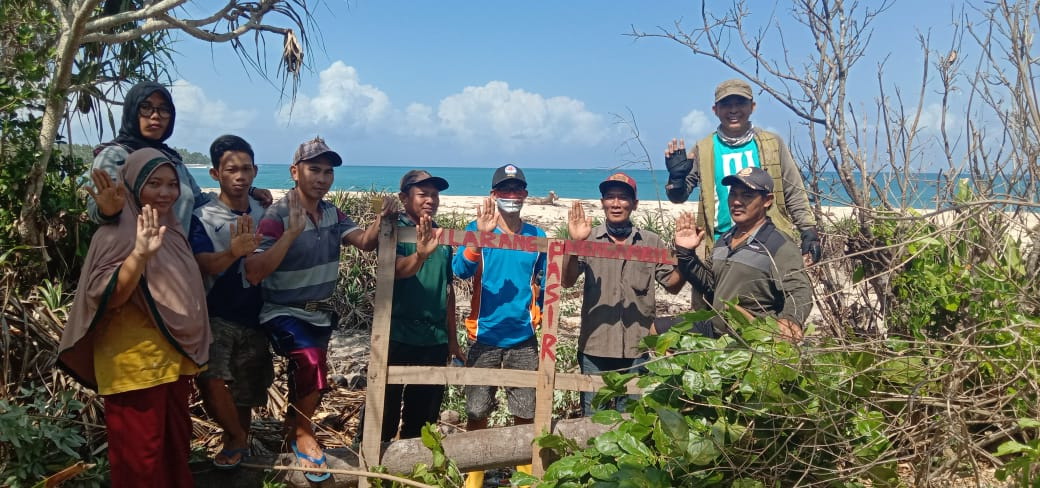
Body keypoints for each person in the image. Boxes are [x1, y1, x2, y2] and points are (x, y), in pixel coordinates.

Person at [244, 136, 395, 483]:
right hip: (281, 310)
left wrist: (381, 218)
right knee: (311, 362)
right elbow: (254, 272)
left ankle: (289, 430)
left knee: (309, 376)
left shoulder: (332, 213)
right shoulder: (276, 215)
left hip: (319, 312)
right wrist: (290, 234)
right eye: (315, 169)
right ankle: (303, 433)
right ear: (295, 172)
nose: (322, 177)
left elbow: (366, 243)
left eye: (328, 171)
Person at [58, 148, 210, 487]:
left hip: (173, 361)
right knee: (139, 463)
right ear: (133, 185)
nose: (166, 192)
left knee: (174, 450)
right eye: (154, 183)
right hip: (134, 366)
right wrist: (139, 254)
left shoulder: (170, 231)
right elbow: (109, 297)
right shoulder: (115, 233)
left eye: (172, 184)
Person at [452, 164, 545, 488]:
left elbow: (547, 279)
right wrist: (478, 239)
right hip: (484, 335)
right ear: (493, 195)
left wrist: (542, 314)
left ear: (525, 194)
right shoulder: (475, 227)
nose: (511, 195)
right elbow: (460, 269)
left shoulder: (537, 236)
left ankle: (524, 476)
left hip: (523, 338)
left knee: (525, 410)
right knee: (477, 410)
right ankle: (474, 478)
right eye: (504, 190)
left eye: (517, 189)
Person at [562, 173, 685, 415]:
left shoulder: (651, 242)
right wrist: (574, 245)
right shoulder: (589, 238)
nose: (616, 203)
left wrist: (686, 255)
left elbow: (672, 284)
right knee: (592, 416)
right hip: (595, 345)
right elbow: (566, 281)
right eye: (610, 197)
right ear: (602, 202)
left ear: (635, 204)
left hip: (638, 348)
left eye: (623, 198)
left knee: (631, 417)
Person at [664, 78, 820, 269]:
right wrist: (676, 179)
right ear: (715, 110)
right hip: (719, 246)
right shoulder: (703, 148)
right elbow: (679, 196)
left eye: (740, 103)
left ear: (752, 106)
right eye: (726, 104)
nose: (733, 110)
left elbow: (793, 190)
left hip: (769, 245)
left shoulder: (772, 143)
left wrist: (809, 232)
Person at [86, 81, 272, 235]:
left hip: (174, 261)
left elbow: (200, 200)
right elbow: (97, 208)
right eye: (145, 107)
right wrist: (108, 210)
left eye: (164, 109)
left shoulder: (172, 161)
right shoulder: (116, 155)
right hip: (131, 262)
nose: (155, 116)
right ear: (132, 111)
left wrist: (249, 191)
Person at [188, 135, 271, 469]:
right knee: (211, 378)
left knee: (246, 387)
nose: (240, 176)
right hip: (217, 313)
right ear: (214, 174)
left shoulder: (264, 209)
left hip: (257, 313)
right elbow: (203, 263)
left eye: (246, 169)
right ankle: (235, 437)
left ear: (255, 171)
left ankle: (239, 446)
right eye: (231, 169)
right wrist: (233, 252)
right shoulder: (203, 216)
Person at [673, 167, 813, 342]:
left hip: (752, 337)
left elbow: (800, 290)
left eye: (746, 195)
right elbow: (708, 283)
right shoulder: (726, 238)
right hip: (716, 330)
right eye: (733, 194)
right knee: (656, 330)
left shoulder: (779, 244)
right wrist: (686, 254)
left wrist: (790, 320)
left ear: (767, 200)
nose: (737, 202)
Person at [378, 169, 465, 442]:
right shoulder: (394, 230)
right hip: (395, 334)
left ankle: (410, 476)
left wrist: (452, 339)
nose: (430, 200)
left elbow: (447, 291)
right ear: (405, 198)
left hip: (433, 339)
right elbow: (392, 272)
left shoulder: (441, 238)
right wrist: (419, 254)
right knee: (382, 414)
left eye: (435, 195)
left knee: (422, 419)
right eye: (423, 194)